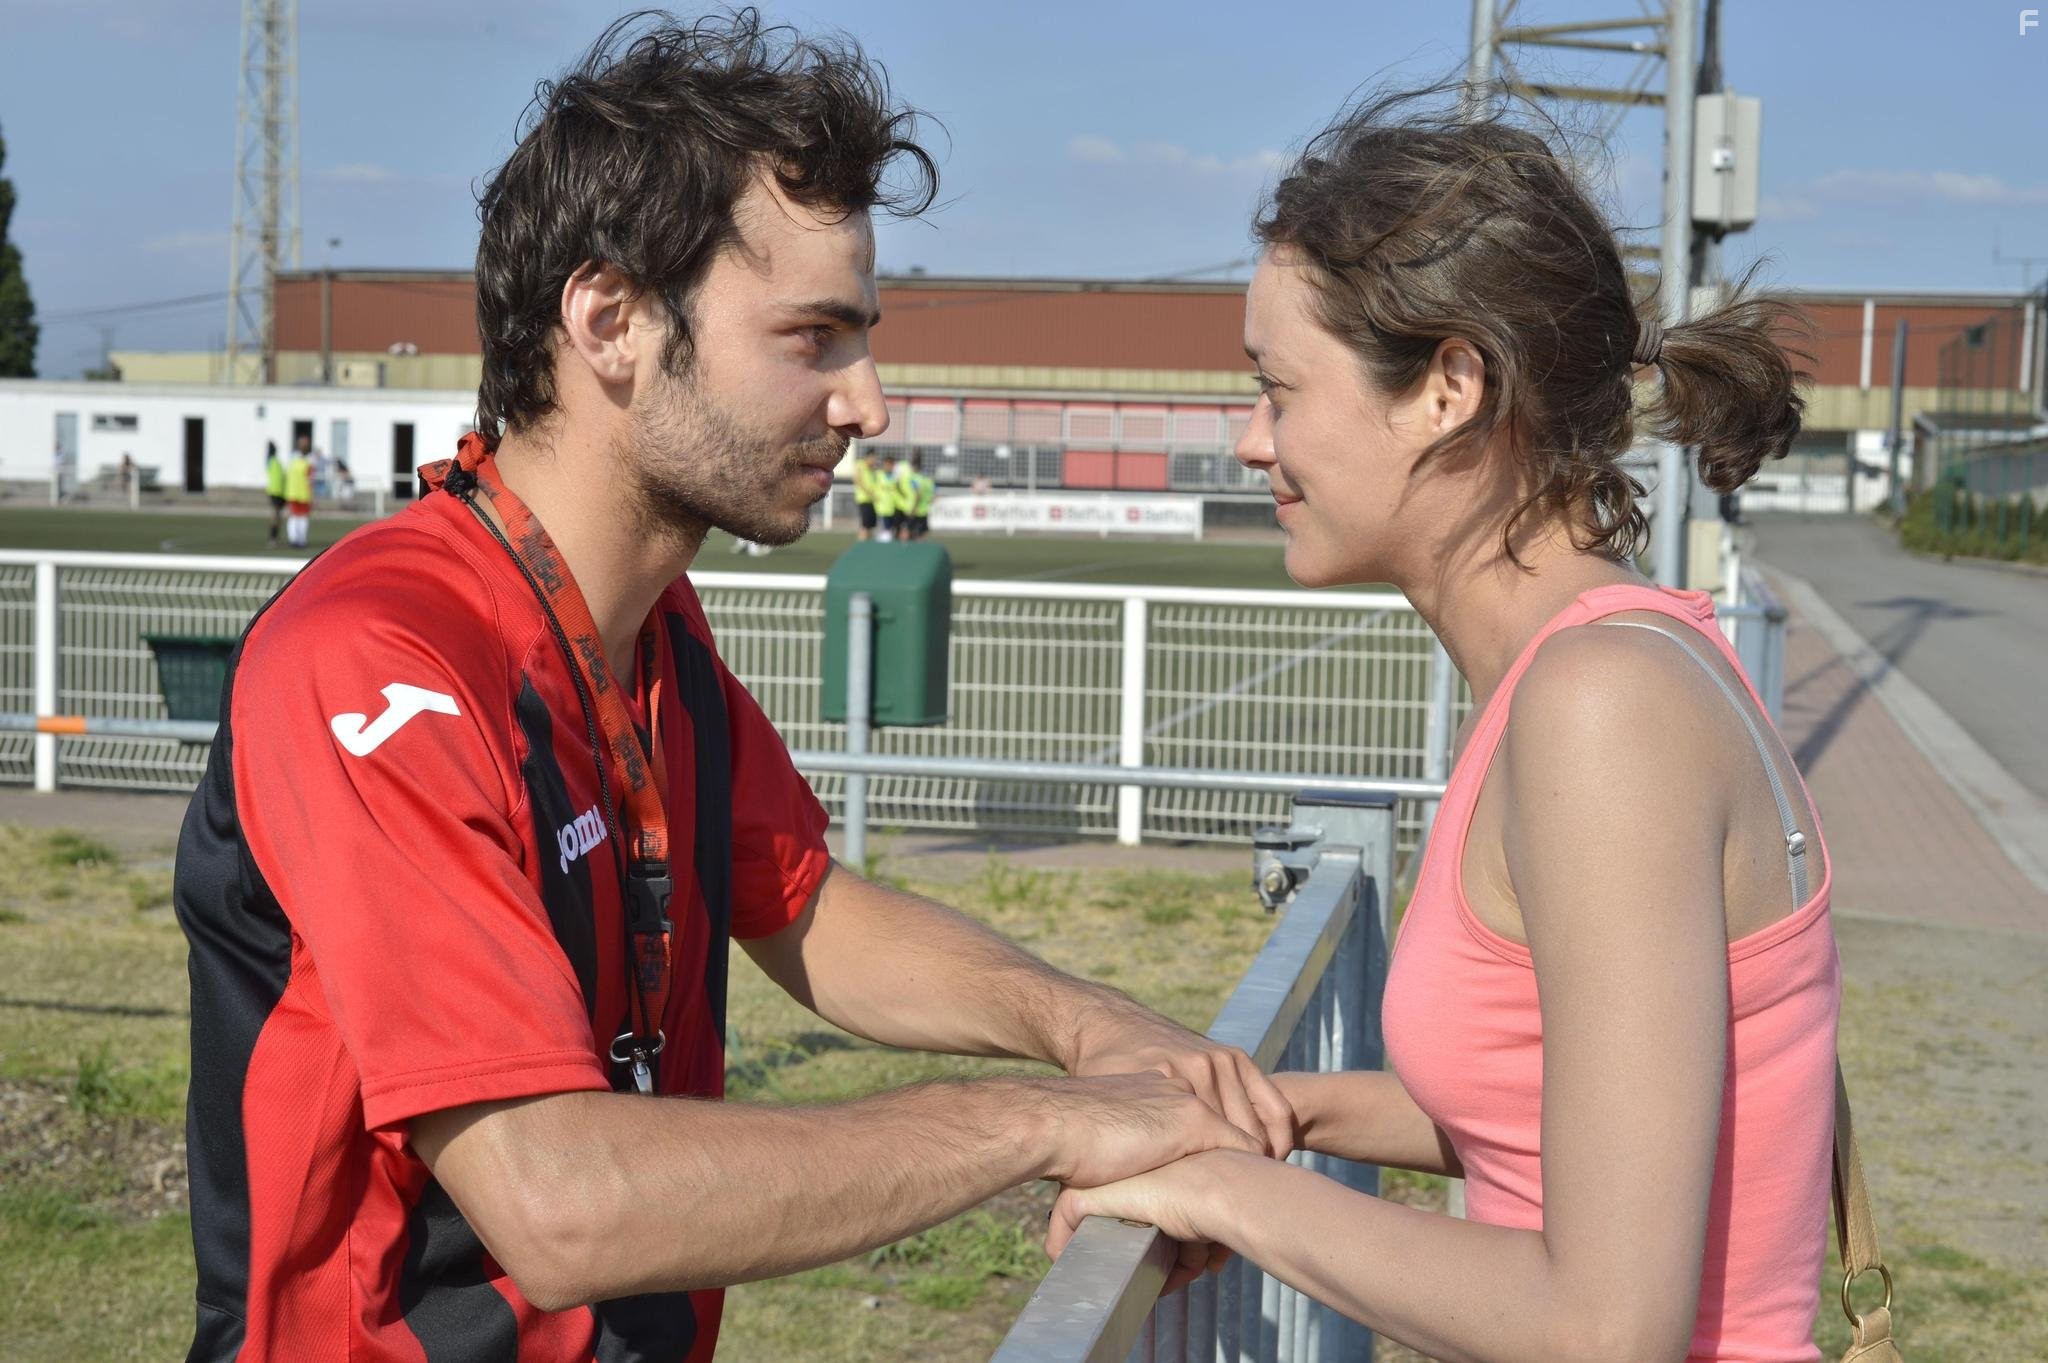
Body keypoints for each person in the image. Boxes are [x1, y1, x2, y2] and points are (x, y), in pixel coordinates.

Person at [172, 16, 1287, 1363]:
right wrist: (1043, 1120)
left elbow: (801, 896)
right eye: (812, 337)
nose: (869, 400)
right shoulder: (378, 655)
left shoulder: (647, 626)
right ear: (612, 321)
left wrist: (1091, 1027)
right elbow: (559, 1201)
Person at [1047, 86, 1833, 1363]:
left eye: (1276, 388)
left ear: (1447, 387)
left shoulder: (1601, 710)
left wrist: (1223, 1194)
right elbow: (1552, 1104)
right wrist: (1271, 1112)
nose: (1251, 441)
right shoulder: (1608, 662)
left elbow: (1602, 1325)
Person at [282, 435, 314, 549]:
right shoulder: (309, 462)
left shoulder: (292, 460)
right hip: (303, 494)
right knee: (301, 518)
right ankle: (300, 540)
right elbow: (310, 480)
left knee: (295, 517)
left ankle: (294, 539)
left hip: (292, 492)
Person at [871, 451, 903, 540]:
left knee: (893, 531)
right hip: (881, 508)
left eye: (891, 464)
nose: (889, 467)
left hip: (893, 507)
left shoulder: (896, 477)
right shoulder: (878, 475)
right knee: (884, 531)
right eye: (887, 464)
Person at [852, 447, 881, 539]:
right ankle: (861, 546)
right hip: (864, 499)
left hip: (872, 500)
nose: (875, 461)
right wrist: (869, 493)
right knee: (865, 525)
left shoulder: (872, 470)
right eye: (874, 458)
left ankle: (867, 545)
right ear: (869, 457)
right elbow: (857, 480)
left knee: (871, 525)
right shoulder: (861, 464)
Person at [906, 452, 936, 540]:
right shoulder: (925, 478)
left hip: (915, 510)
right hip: (924, 510)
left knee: (911, 533)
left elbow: (917, 495)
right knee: (921, 535)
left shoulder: (914, 478)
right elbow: (933, 494)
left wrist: (914, 509)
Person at [263, 441, 285, 545]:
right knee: (275, 515)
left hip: (280, 491)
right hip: (274, 491)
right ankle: (272, 538)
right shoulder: (270, 460)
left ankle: (275, 537)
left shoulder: (274, 460)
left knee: (278, 516)